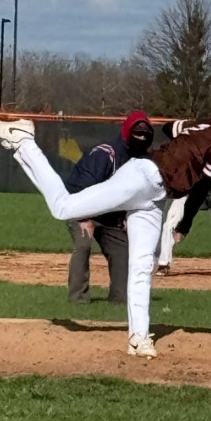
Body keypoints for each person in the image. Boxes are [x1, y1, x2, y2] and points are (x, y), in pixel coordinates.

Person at [0, 85, 211, 359]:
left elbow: (170, 128)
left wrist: (187, 147)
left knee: (142, 264)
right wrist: (184, 225)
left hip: (155, 195)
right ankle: (24, 141)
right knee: (63, 207)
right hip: (143, 177)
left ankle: (139, 338)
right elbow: (201, 190)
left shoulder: (210, 124)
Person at [65, 111, 154, 304]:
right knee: (83, 244)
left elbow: (135, 195)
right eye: (137, 133)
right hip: (80, 206)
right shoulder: (106, 153)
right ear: (127, 132)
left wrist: (126, 218)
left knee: (123, 249)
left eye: (145, 134)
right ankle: (78, 298)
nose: (141, 138)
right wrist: (83, 217)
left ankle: (119, 298)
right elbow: (80, 186)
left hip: (110, 214)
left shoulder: (143, 160)